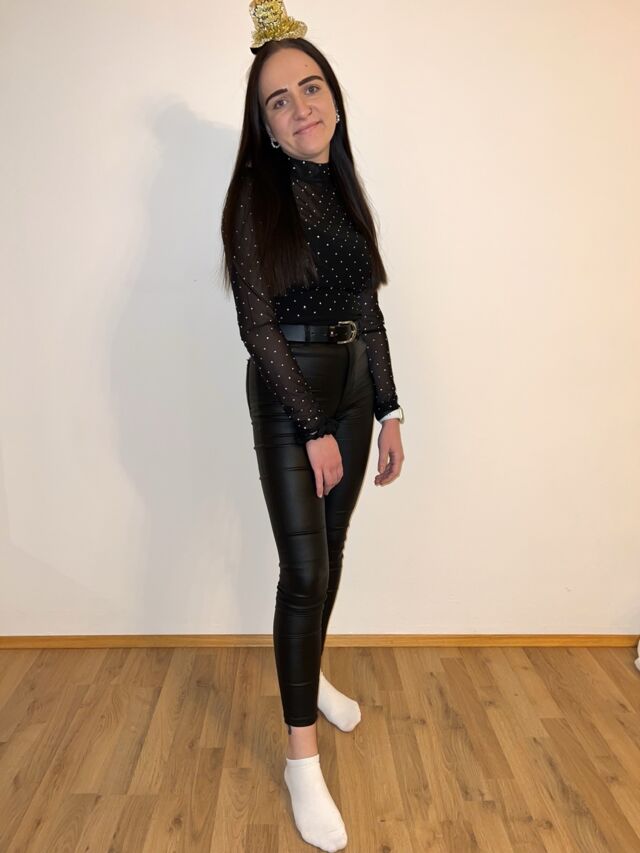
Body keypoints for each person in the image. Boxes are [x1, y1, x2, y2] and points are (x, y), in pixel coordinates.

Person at [220, 3, 405, 850]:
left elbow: (369, 308)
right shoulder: (254, 200)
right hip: (287, 387)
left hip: (354, 387)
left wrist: (389, 407)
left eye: (311, 87)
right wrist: (312, 426)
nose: (301, 107)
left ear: (332, 94)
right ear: (264, 125)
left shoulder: (344, 186)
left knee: (333, 548)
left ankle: (312, 671)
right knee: (303, 571)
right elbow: (256, 327)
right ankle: (302, 760)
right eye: (279, 100)